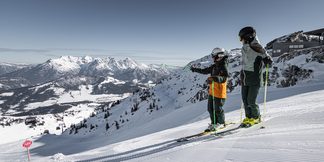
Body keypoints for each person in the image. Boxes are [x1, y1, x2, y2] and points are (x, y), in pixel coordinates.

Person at [238, 26, 273, 127]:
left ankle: (256, 117)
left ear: (248, 36)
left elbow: (268, 59)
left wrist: (267, 60)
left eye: (242, 38)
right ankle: (249, 117)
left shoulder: (256, 46)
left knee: (251, 100)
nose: (241, 40)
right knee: (245, 99)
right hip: (245, 77)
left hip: (254, 78)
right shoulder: (245, 47)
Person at [190, 48, 229, 132]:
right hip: (213, 91)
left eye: (213, 56)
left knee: (218, 109)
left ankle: (221, 123)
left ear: (218, 56)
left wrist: (214, 78)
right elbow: (205, 71)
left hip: (219, 91)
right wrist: (195, 69)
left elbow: (225, 78)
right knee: (210, 109)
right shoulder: (215, 65)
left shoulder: (223, 65)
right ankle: (214, 123)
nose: (212, 58)